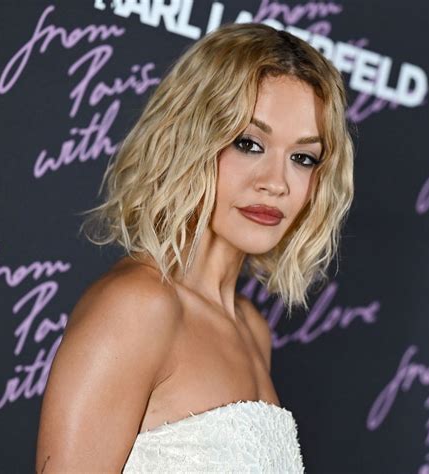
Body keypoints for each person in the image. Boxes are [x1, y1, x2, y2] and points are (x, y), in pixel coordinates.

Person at [35, 22, 353, 473]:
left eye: (302, 158)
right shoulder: (137, 307)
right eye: (249, 143)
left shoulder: (251, 328)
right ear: (190, 138)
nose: (276, 183)